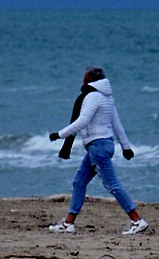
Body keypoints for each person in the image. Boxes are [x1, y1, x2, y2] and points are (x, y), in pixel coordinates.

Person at [46, 67, 148, 234]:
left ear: (90, 80)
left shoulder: (92, 96)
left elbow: (83, 120)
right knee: (79, 182)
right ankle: (68, 224)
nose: (82, 82)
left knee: (112, 184)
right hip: (101, 145)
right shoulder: (106, 98)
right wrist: (126, 147)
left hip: (98, 147)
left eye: (84, 79)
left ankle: (137, 220)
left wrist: (60, 134)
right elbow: (117, 124)